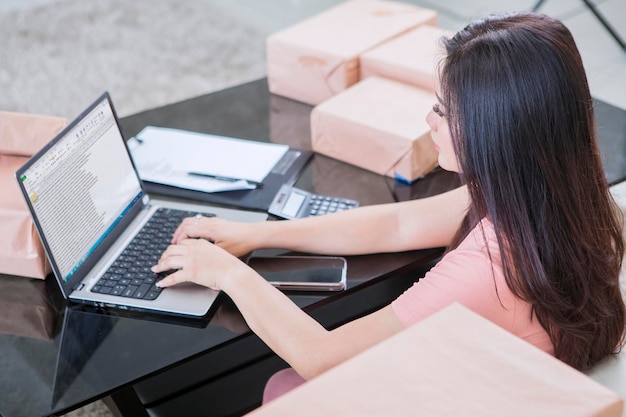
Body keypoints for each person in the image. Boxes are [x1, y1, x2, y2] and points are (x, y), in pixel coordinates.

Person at [153, 10, 625, 400]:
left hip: (470, 393)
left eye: (443, 110)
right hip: (506, 370)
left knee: (285, 386)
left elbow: (322, 357)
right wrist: (258, 234)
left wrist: (228, 273)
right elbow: (399, 225)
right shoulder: (554, 196)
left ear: (493, 133)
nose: (429, 119)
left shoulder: (485, 270)